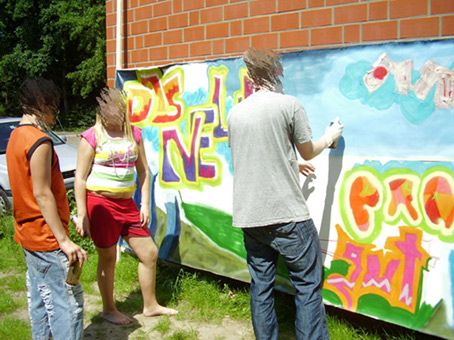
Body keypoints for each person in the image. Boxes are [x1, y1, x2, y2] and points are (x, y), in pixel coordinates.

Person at [227, 48, 344, 340]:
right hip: (287, 216)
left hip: (250, 217)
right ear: (276, 73)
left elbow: (253, 155)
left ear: (251, 76)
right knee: (307, 284)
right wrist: (330, 138)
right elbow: (308, 149)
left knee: (261, 287)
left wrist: (291, 163)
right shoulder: (289, 104)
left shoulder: (236, 112)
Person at [74, 87, 177, 325]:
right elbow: (80, 178)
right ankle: (109, 309)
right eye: (110, 106)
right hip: (100, 204)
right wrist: (82, 215)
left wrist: (145, 205)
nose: (116, 111)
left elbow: (143, 172)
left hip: (128, 205)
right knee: (108, 257)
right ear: (101, 109)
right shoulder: (91, 136)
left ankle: (150, 306)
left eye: (120, 106)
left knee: (149, 253)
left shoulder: (134, 134)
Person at [6, 77, 87, 340]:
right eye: (53, 106)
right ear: (40, 103)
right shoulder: (39, 141)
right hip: (47, 238)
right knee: (68, 306)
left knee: (42, 300)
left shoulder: (16, 135)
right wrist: (64, 241)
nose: (56, 113)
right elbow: (42, 193)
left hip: (29, 235)